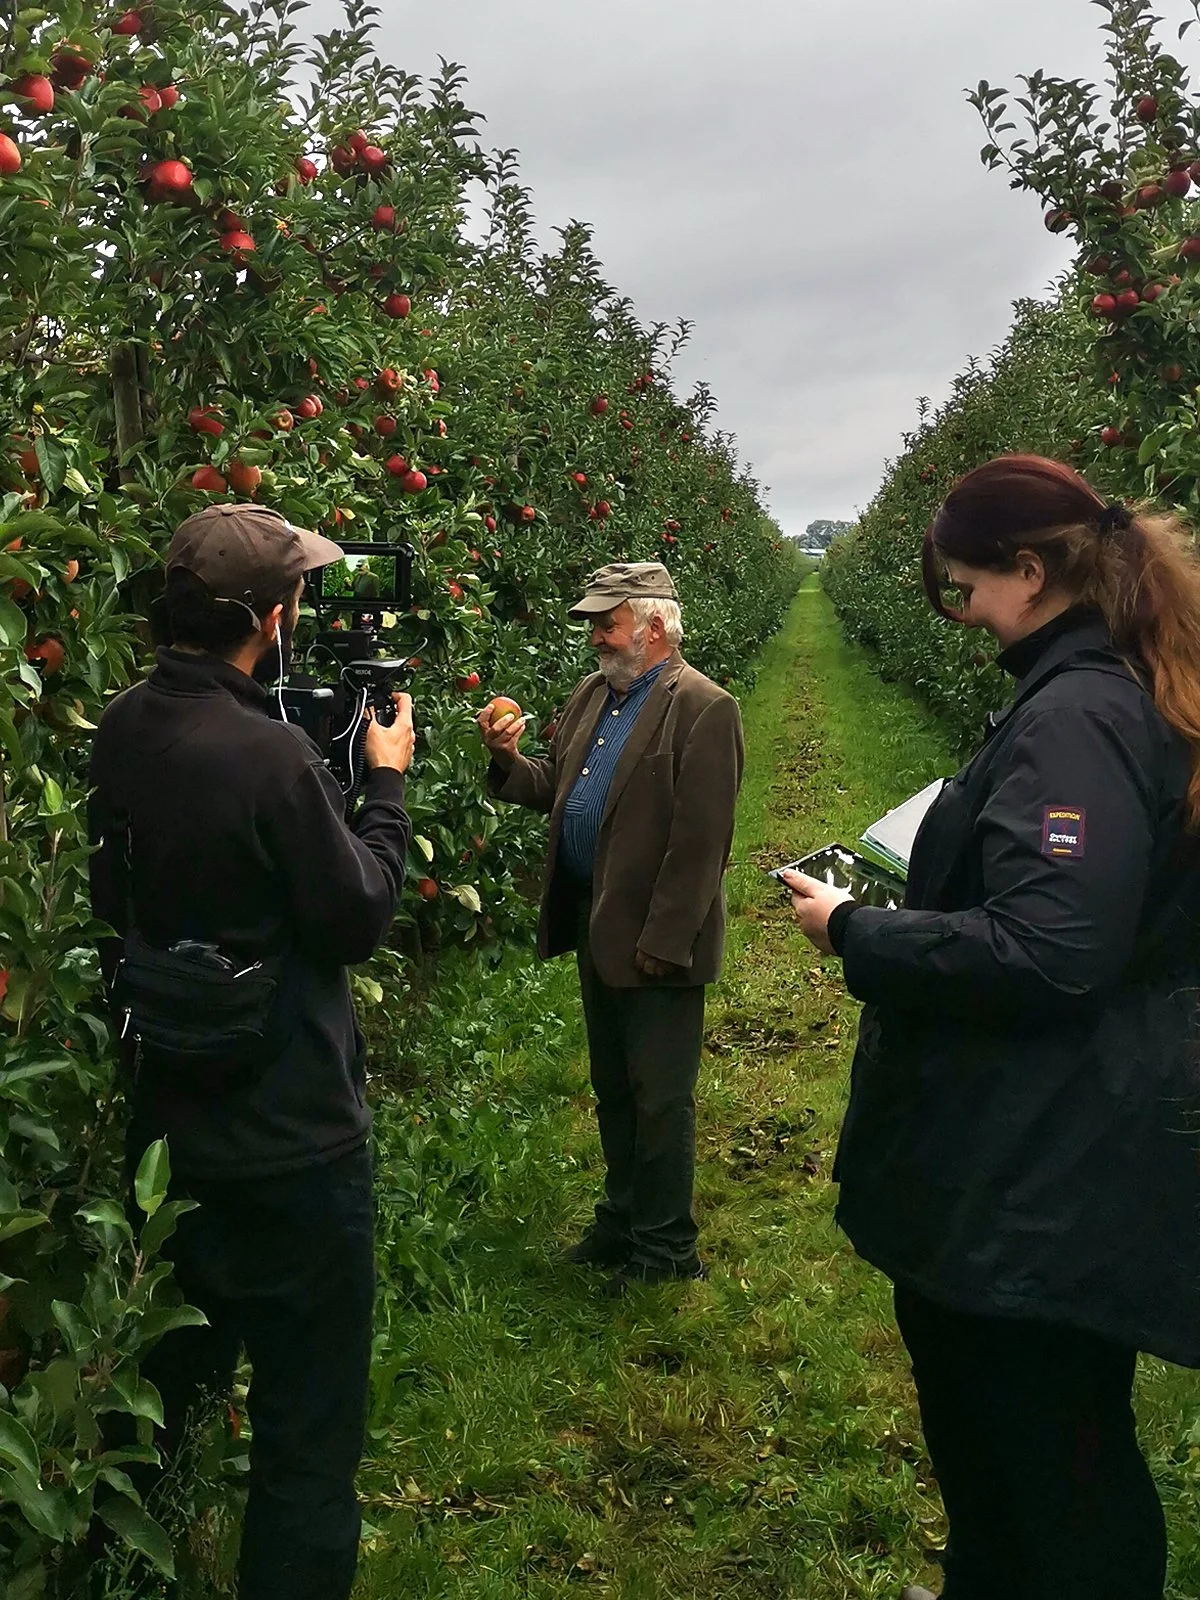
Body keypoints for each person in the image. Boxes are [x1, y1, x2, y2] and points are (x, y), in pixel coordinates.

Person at [784, 456, 1200, 1600]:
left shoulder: (1078, 714)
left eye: (964, 589)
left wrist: (860, 931)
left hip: (1041, 1168)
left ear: (1031, 571)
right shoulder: (1093, 688)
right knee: (1014, 1440)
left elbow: (1054, 952)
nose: (960, 616)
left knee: (1049, 1451)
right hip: (1050, 1145)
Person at [87, 504, 414, 1600]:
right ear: (271, 621)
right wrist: (383, 785)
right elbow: (357, 914)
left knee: (162, 1396)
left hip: (173, 1140)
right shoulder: (274, 758)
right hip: (295, 1148)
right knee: (306, 1439)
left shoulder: (124, 727)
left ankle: (117, 1570)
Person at [478, 562, 744, 1295]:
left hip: (655, 936)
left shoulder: (703, 708)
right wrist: (507, 761)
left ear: (654, 627)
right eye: (595, 622)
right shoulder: (595, 694)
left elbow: (700, 846)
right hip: (596, 921)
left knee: (660, 1097)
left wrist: (664, 941)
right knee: (614, 1087)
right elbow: (556, 788)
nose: (596, 635)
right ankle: (624, 1218)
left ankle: (666, 1249)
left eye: (608, 621)